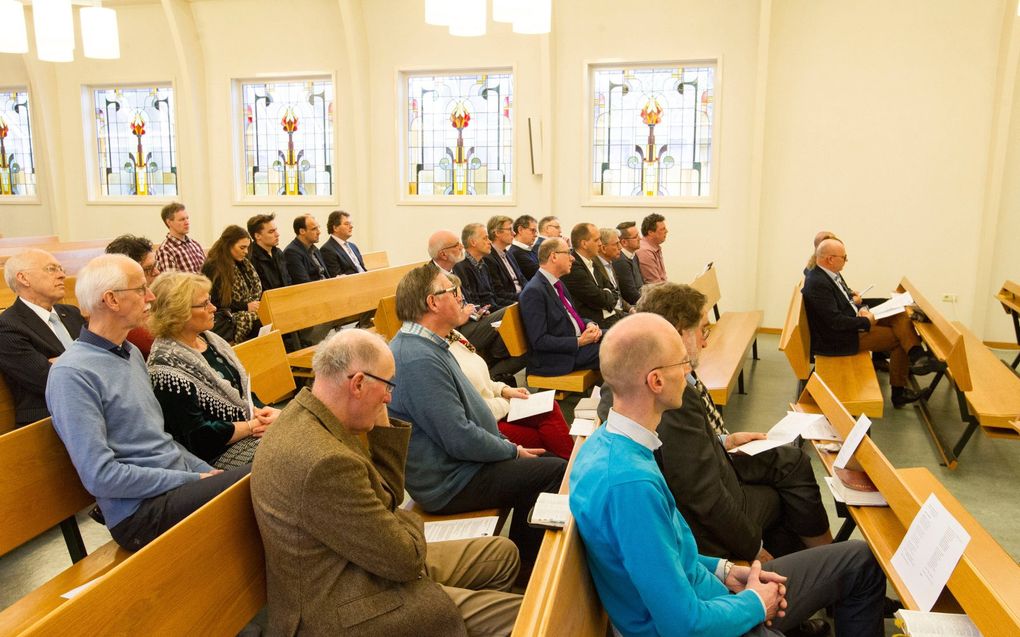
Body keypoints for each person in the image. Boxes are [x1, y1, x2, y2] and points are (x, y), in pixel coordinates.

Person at [570, 313, 887, 637]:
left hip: (711, 593)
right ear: (656, 381)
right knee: (858, 568)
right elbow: (684, 626)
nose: (688, 369)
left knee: (860, 559)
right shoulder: (630, 486)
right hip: (707, 623)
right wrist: (755, 604)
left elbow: (670, 554)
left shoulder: (610, 444)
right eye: (681, 361)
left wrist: (725, 571)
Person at [251, 329, 522, 635]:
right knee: (520, 615)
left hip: (365, 559)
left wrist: (381, 428)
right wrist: (407, 525)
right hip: (344, 605)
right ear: (357, 384)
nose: (390, 398)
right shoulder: (323, 461)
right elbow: (405, 557)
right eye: (388, 385)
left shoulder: (311, 417)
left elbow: (386, 503)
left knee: (503, 555)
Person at [598, 282, 832, 564]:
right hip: (706, 521)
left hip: (712, 475)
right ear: (679, 331)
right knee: (787, 492)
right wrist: (754, 549)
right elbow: (703, 496)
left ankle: (818, 568)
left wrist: (724, 440)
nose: (705, 341)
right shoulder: (665, 396)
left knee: (789, 466)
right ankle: (825, 567)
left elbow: (683, 459)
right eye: (702, 330)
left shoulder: (627, 378)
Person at [46, 254, 248, 551]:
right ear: (111, 300)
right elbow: (101, 477)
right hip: (139, 512)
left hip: (175, 487)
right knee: (265, 476)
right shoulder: (73, 373)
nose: (151, 296)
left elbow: (160, 440)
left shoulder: (129, 353)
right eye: (140, 289)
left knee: (273, 469)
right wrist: (191, 478)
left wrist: (203, 471)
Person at [387, 264, 566, 566]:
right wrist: (511, 450)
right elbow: (458, 436)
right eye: (452, 292)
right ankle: (527, 568)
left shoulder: (430, 346)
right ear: (432, 302)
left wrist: (508, 449)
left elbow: (467, 416)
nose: (460, 298)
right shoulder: (416, 358)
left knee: (545, 462)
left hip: (463, 466)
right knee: (553, 472)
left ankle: (529, 557)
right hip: (450, 483)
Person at [147, 271, 279, 470]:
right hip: (216, 455)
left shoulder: (211, 340)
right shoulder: (165, 367)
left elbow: (242, 391)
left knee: (308, 436)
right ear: (178, 312)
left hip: (248, 428)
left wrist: (264, 413)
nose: (214, 308)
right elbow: (198, 438)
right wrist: (252, 426)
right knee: (290, 453)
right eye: (204, 304)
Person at [444, 273, 574, 460]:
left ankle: (572, 468)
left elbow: (482, 380)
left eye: (460, 298)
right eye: (456, 298)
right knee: (542, 438)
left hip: (495, 405)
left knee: (548, 408)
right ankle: (572, 470)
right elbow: (471, 409)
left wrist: (504, 390)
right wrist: (506, 402)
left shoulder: (454, 335)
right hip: (485, 421)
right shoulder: (439, 350)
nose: (462, 303)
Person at [803, 238, 940, 408]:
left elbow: (842, 304)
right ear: (830, 259)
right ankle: (900, 390)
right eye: (844, 258)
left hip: (850, 323)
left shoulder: (829, 274)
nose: (846, 261)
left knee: (900, 314)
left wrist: (859, 308)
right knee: (899, 338)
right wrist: (865, 320)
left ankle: (917, 356)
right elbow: (834, 322)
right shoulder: (818, 283)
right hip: (838, 340)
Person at [0, 249, 85, 426]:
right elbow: (48, 378)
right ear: (23, 278)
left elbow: (106, 357)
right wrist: (86, 359)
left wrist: (60, 361)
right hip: (48, 419)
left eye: (61, 269)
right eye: (51, 269)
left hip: (88, 406)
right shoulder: (8, 325)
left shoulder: (72, 313)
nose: (62, 275)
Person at [430, 229, 518, 378]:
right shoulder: (430, 277)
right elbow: (438, 316)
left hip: (471, 321)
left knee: (511, 318)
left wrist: (477, 311)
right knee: (509, 312)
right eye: (456, 245)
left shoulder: (456, 269)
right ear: (443, 254)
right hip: (455, 330)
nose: (461, 247)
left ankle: (496, 366)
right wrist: (463, 314)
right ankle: (494, 368)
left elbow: (468, 299)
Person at [518, 238, 602, 376]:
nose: (572, 258)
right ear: (554, 256)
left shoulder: (558, 284)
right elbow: (540, 341)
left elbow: (573, 317)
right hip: (558, 358)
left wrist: (589, 325)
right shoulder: (534, 291)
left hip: (575, 344)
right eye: (568, 253)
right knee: (616, 351)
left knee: (620, 336)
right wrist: (579, 341)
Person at [201, 225, 262, 345]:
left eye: (247, 248)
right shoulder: (214, 266)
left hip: (244, 311)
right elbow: (215, 302)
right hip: (226, 317)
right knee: (259, 323)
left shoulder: (244, 264)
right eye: (242, 247)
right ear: (228, 245)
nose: (246, 252)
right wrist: (246, 306)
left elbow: (254, 289)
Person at [560, 223, 627, 329]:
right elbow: (598, 299)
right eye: (596, 240)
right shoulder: (573, 267)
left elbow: (613, 291)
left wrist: (606, 293)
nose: (600, 244)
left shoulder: (593, 261)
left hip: (611, 316)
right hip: (595, 324)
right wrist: (606, 293)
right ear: (584, 244)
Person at [106, 234, 160, 357]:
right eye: (149, 269)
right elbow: (152, 344)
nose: (157, 272)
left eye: (155, 265)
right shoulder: (124, 313)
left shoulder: (156, 295)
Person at [484, 215, 525, 307]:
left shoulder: (509, 254)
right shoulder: (488, 258)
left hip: (522, 297)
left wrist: (532, 292)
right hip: (511, 303)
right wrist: (526, 297)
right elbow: (499, 293)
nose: (514, 233)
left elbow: (522, 279)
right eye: (510, 229)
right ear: (497, 232)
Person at [153, 202, 205, 273]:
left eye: (187, 218)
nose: (187, 222)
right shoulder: (165, 251)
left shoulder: (195, 244)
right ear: (169, 222)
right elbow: (171, 281)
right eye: (182, 219)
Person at [246, 213, 292, 292]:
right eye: (271, 232)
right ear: (257, 236)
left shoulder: (278, 253)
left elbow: (288, 281)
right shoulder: (250, 258)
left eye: (276, 230)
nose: (277, 234)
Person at [283, 213, 328, 284]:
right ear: (302, 231)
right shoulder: (291, 252)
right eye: (314, 229)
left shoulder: (315, 249)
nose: (319, 232)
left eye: (318, 228)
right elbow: (303, 283)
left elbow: (326, 275)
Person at [320, 209, 367, 276]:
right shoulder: (327, 250)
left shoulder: (353, 246)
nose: (351, 226)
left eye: (350, 224)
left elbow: (363, 269)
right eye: (346, 224)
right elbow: (336, 277)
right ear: (335, 228)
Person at [614, 221, 645, 305]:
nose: (640, 238)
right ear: (624, 242)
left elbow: (641, 284)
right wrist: (648, 303)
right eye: (635, 237)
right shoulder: (621, 261)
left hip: (641, 300)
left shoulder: (634, 255)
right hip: (634, 305)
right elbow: (630, 294)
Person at [635, 212, 668, 284]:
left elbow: (663, 279)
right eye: (662, 229)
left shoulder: (654, 248)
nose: (666, 231)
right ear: (650, 232)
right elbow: (655, 284)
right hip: (654, 293)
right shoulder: (645, 251)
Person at [507, 214, 539, 281]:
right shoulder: (516, 253)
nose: (536, 235)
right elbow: (540, 275)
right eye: (533, 230)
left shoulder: (530, 250)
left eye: (536, 231)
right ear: (520, 230)